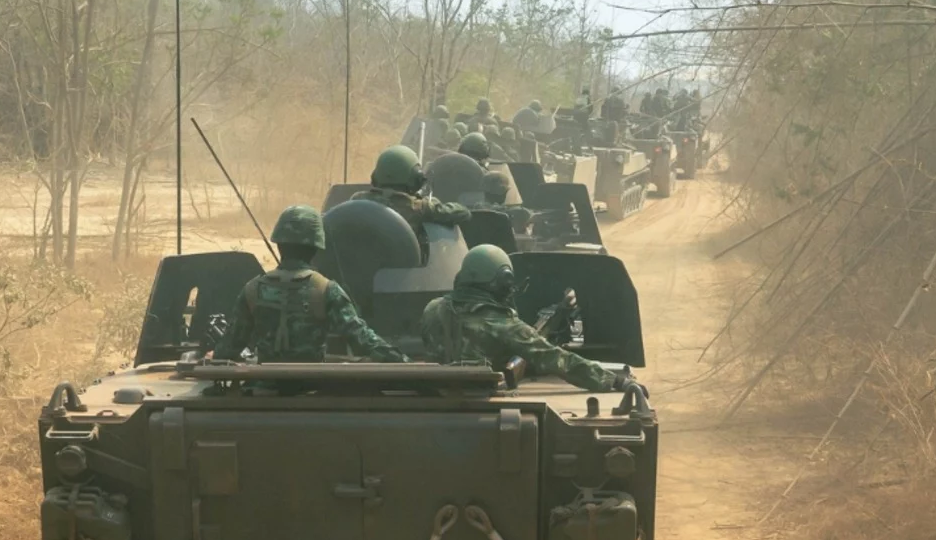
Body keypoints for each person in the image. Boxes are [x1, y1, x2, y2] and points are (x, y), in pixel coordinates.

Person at [420, 245, 639, 395]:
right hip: (480, 399)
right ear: (501, 281)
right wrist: (613, 380)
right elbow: (555, 358)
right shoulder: (502, 324)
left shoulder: (432, 308)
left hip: (437, 394)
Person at [215, 206, 404, 363]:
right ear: (316, 247)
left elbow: (228, 349)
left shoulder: (252, 290)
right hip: (312, 387)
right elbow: (361, 339)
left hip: (262, 387)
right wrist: (401, 360)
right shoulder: (326, 290)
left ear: (279, 243)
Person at [351, 145, 471, 237]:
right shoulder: (419, 208)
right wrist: (431, 203)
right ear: (415, 178)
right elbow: (463, 213)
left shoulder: (357, 200)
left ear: (375, 176)